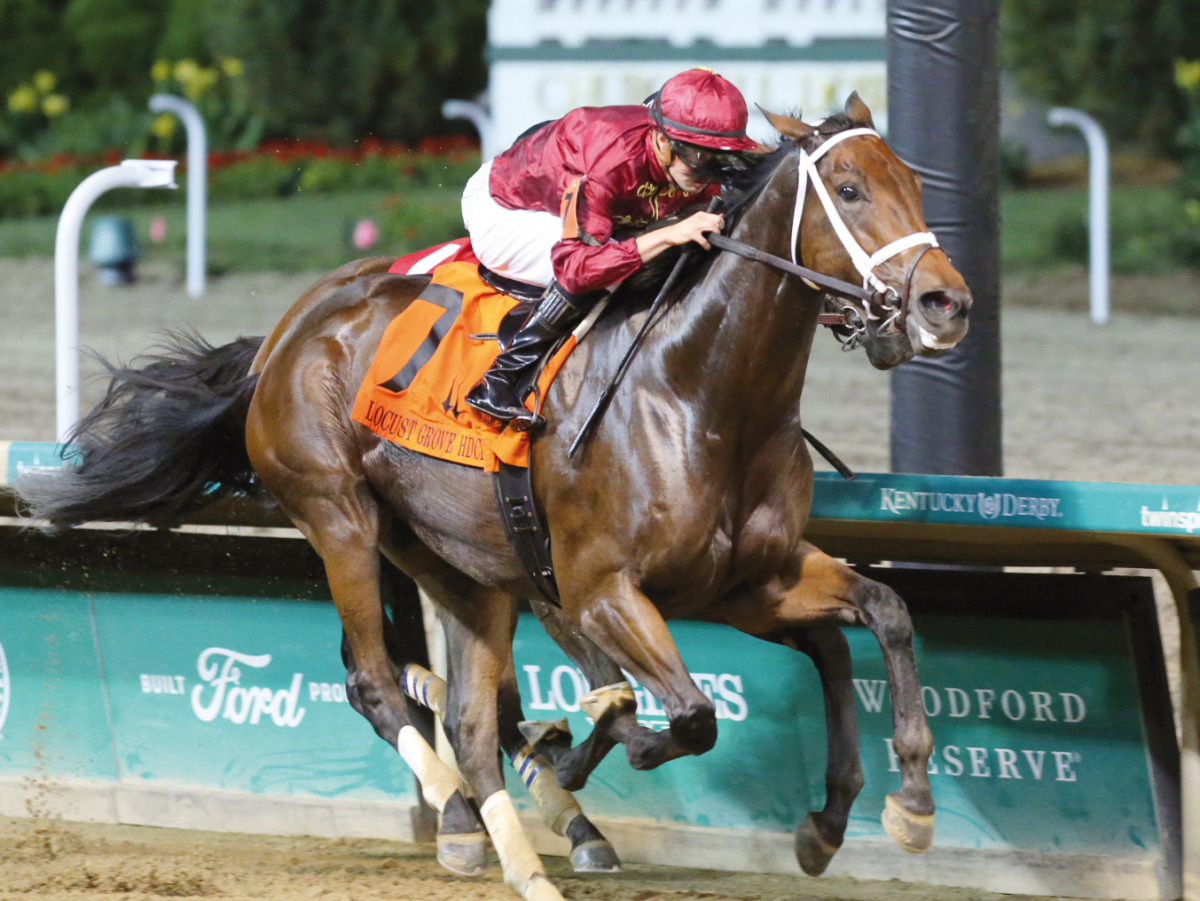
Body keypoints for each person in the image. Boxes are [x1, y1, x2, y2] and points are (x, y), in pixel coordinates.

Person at [461, 67, 760, 431]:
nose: (706, 173)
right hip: (507, 209)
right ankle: (500, 379)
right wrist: (669, 234)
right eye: (698, 158)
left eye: (718, 159)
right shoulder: (612, 161)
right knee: (613, 269)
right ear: (662, 140)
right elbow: (576, 267)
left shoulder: (693, 164)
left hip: (586, 213)